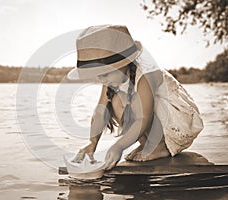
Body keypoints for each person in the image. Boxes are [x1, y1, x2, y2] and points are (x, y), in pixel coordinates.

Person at [67, 24, 204, 170]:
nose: (102, 80)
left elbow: (143, 118)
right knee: (115, 101)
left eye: (104, 74)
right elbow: (99, 112)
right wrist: (92, 143)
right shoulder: (111, 81)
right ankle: (148, 144)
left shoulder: (145, 74)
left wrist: (119, 146)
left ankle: (158, 146)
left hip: (179, 122)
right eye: (98, 76)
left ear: (123, 63)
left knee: (132, 102)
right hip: (157, 120)